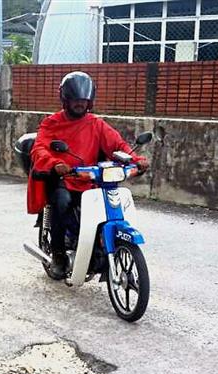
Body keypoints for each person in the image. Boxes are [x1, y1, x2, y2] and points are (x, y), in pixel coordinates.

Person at [28, 71, 150, 278]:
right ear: (66, 100)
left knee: (108, 205)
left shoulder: (96, 124)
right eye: (75, 100)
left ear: (90, 101)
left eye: (83, 101)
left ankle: (97, 247)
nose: (79, 104)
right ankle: (58, 254)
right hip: (64, 180)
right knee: (61, 202)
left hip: (91, 180)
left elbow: (117, 145)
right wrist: (55, 163)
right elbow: (39, 148)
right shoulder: (52, 123)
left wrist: (136, 160)